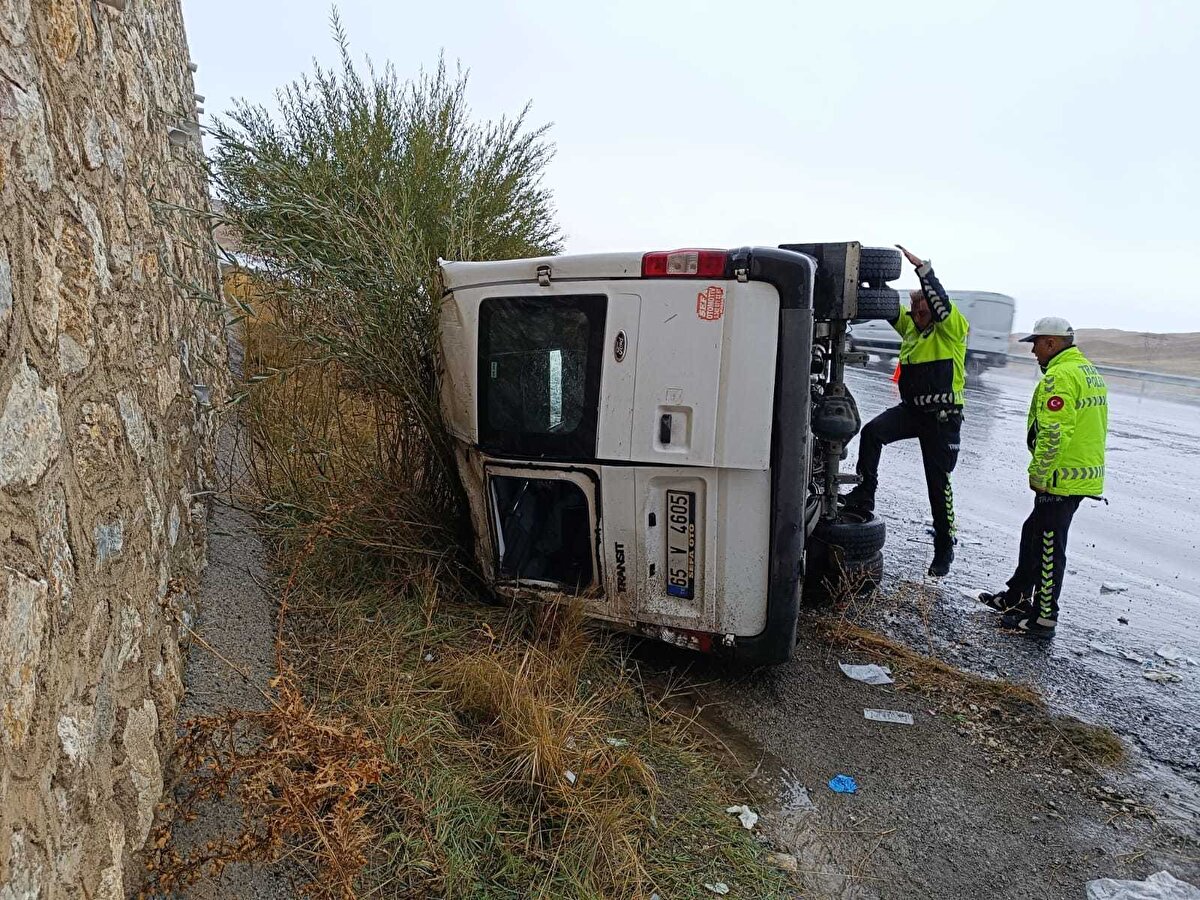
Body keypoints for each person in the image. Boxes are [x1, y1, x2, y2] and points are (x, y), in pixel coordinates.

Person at [841, 245, 968, 577]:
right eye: (913, 306)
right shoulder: (911, 329)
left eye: (921, 306)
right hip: (912, 411)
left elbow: (940, 305)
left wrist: (923, 270)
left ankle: (945, 548)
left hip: (942, 418)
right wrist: (871, 276)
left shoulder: (952, 329)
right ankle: (864, 495)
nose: (914, 311)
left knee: (937, 484)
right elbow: (885, 305)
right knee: (872, 433)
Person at [978, 317, 1108, 639]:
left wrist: (1039, 473)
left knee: (1049, 544)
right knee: (1034, 531)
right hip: (1078, 474)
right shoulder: (1086, 371)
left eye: (1036, 344)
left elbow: (1053, 432)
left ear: (1051, 343)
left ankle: (1044, 618)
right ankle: (1017, 598)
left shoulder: (1060, 376)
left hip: (1060, 477)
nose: (1033, 351)